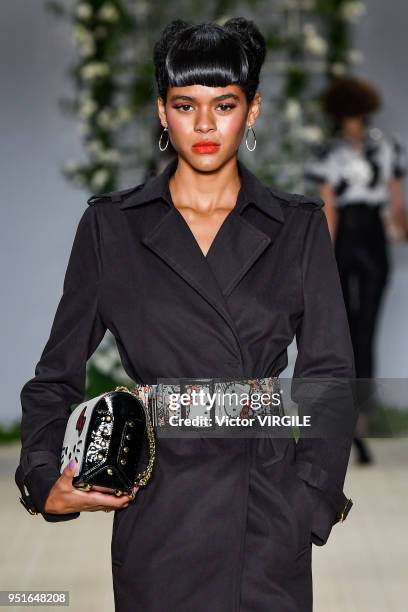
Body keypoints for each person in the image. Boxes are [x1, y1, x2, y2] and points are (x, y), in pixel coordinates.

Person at [15, 18, 356, 612]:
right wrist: (45, 481)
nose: (204, 125)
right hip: (160, 507)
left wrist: (310, 500)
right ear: (160, 112)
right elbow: (55, 376)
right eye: (184, 104)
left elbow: (328, 376)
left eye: (223, 104)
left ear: (251, 111)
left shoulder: (297, 226)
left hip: (266, 512)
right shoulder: (112, 227)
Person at [305, 76, 408, 464]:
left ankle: (359, 422)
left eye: (357, 114)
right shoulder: (327, 152)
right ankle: (349, 422)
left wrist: (401, 229)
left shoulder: (386, 146)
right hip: (348, 235)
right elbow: (328, 206)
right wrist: (324, 256)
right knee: (346, 330)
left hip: (370, 239)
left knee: (366, 330)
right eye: (348, 115)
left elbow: (396, 202)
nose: (354, 121)